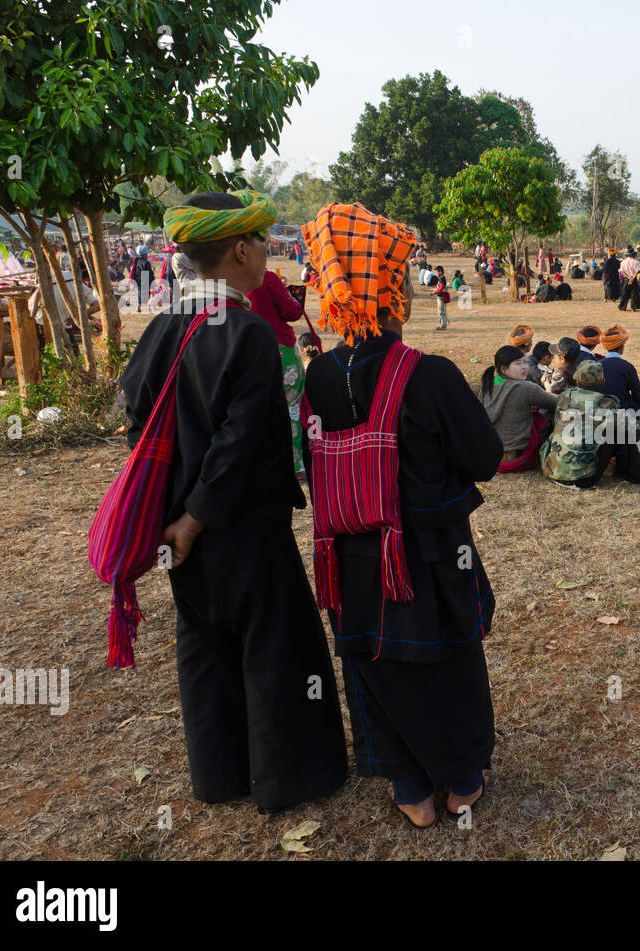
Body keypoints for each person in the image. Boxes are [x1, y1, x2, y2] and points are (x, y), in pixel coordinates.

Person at [120, 189, 347, 814]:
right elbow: (242, 440)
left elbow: (140, 424)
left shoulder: (161, 328)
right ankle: (288, 781)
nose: (268, 259)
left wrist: (177, 519)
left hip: (176, 533)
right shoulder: (244, 331)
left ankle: (220, 777)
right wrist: (197, 518)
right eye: (263, 247)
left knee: (204, 648)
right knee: (275, 649)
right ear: (242, 249)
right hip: (240, 528)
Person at [301, 203, 501, 828]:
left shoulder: (319, 379)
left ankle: (409, 788)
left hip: (352, 557)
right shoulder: (431, 375)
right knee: (446, 658)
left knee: (371, 658)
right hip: (430, 555)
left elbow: (313, 465)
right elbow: (485, 458)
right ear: (389, 293)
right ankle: (462, 780)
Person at [541, 360, 640, 488]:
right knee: (618, 432)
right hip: (583, 479)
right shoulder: (606, 403)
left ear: (577, 381)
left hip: (551, 470)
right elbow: (635, 432)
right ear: (603, 381)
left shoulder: (565, 396)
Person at [247, 268, 322, 475]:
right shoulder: (265, 277)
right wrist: (287, 294)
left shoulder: (224, 280)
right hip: (279, 347)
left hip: (247, 351)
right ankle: (296, 464)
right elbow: (293, 311)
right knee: (292, 407)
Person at [480, 344, 558, 470]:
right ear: (504, 368)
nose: (524, 367)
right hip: (515, 456)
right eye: (518, 364)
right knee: (549, 414)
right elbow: (557, 403)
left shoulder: (490, 382)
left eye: (524, 362)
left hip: (489, 454)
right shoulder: (526, 388)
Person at [597, 324, 640, 412]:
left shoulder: (596, 365)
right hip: (622, 410)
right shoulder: (627, 366)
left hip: (600, 409)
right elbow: (638, 395)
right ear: (621, 347)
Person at [130, 244, 154, 310]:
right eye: (146, 253)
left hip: (138, 280)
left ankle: (139, 305)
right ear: (145, 254)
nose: (147, 255)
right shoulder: (146, 263)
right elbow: (149, 274)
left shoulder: (137, 261)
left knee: (140, 294)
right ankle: (141, 306)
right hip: (144, 280)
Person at [431, 264, 450, 329]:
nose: (436, 273)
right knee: (442, 311)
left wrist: (434, 292)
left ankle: (443, 325)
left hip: (441, 296)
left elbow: (441, 288)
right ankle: (442, 324)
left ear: (440, 272)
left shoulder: (442, 279)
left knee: (441, 311)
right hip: (441, 296)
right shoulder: (441, 279)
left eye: (436, 272)